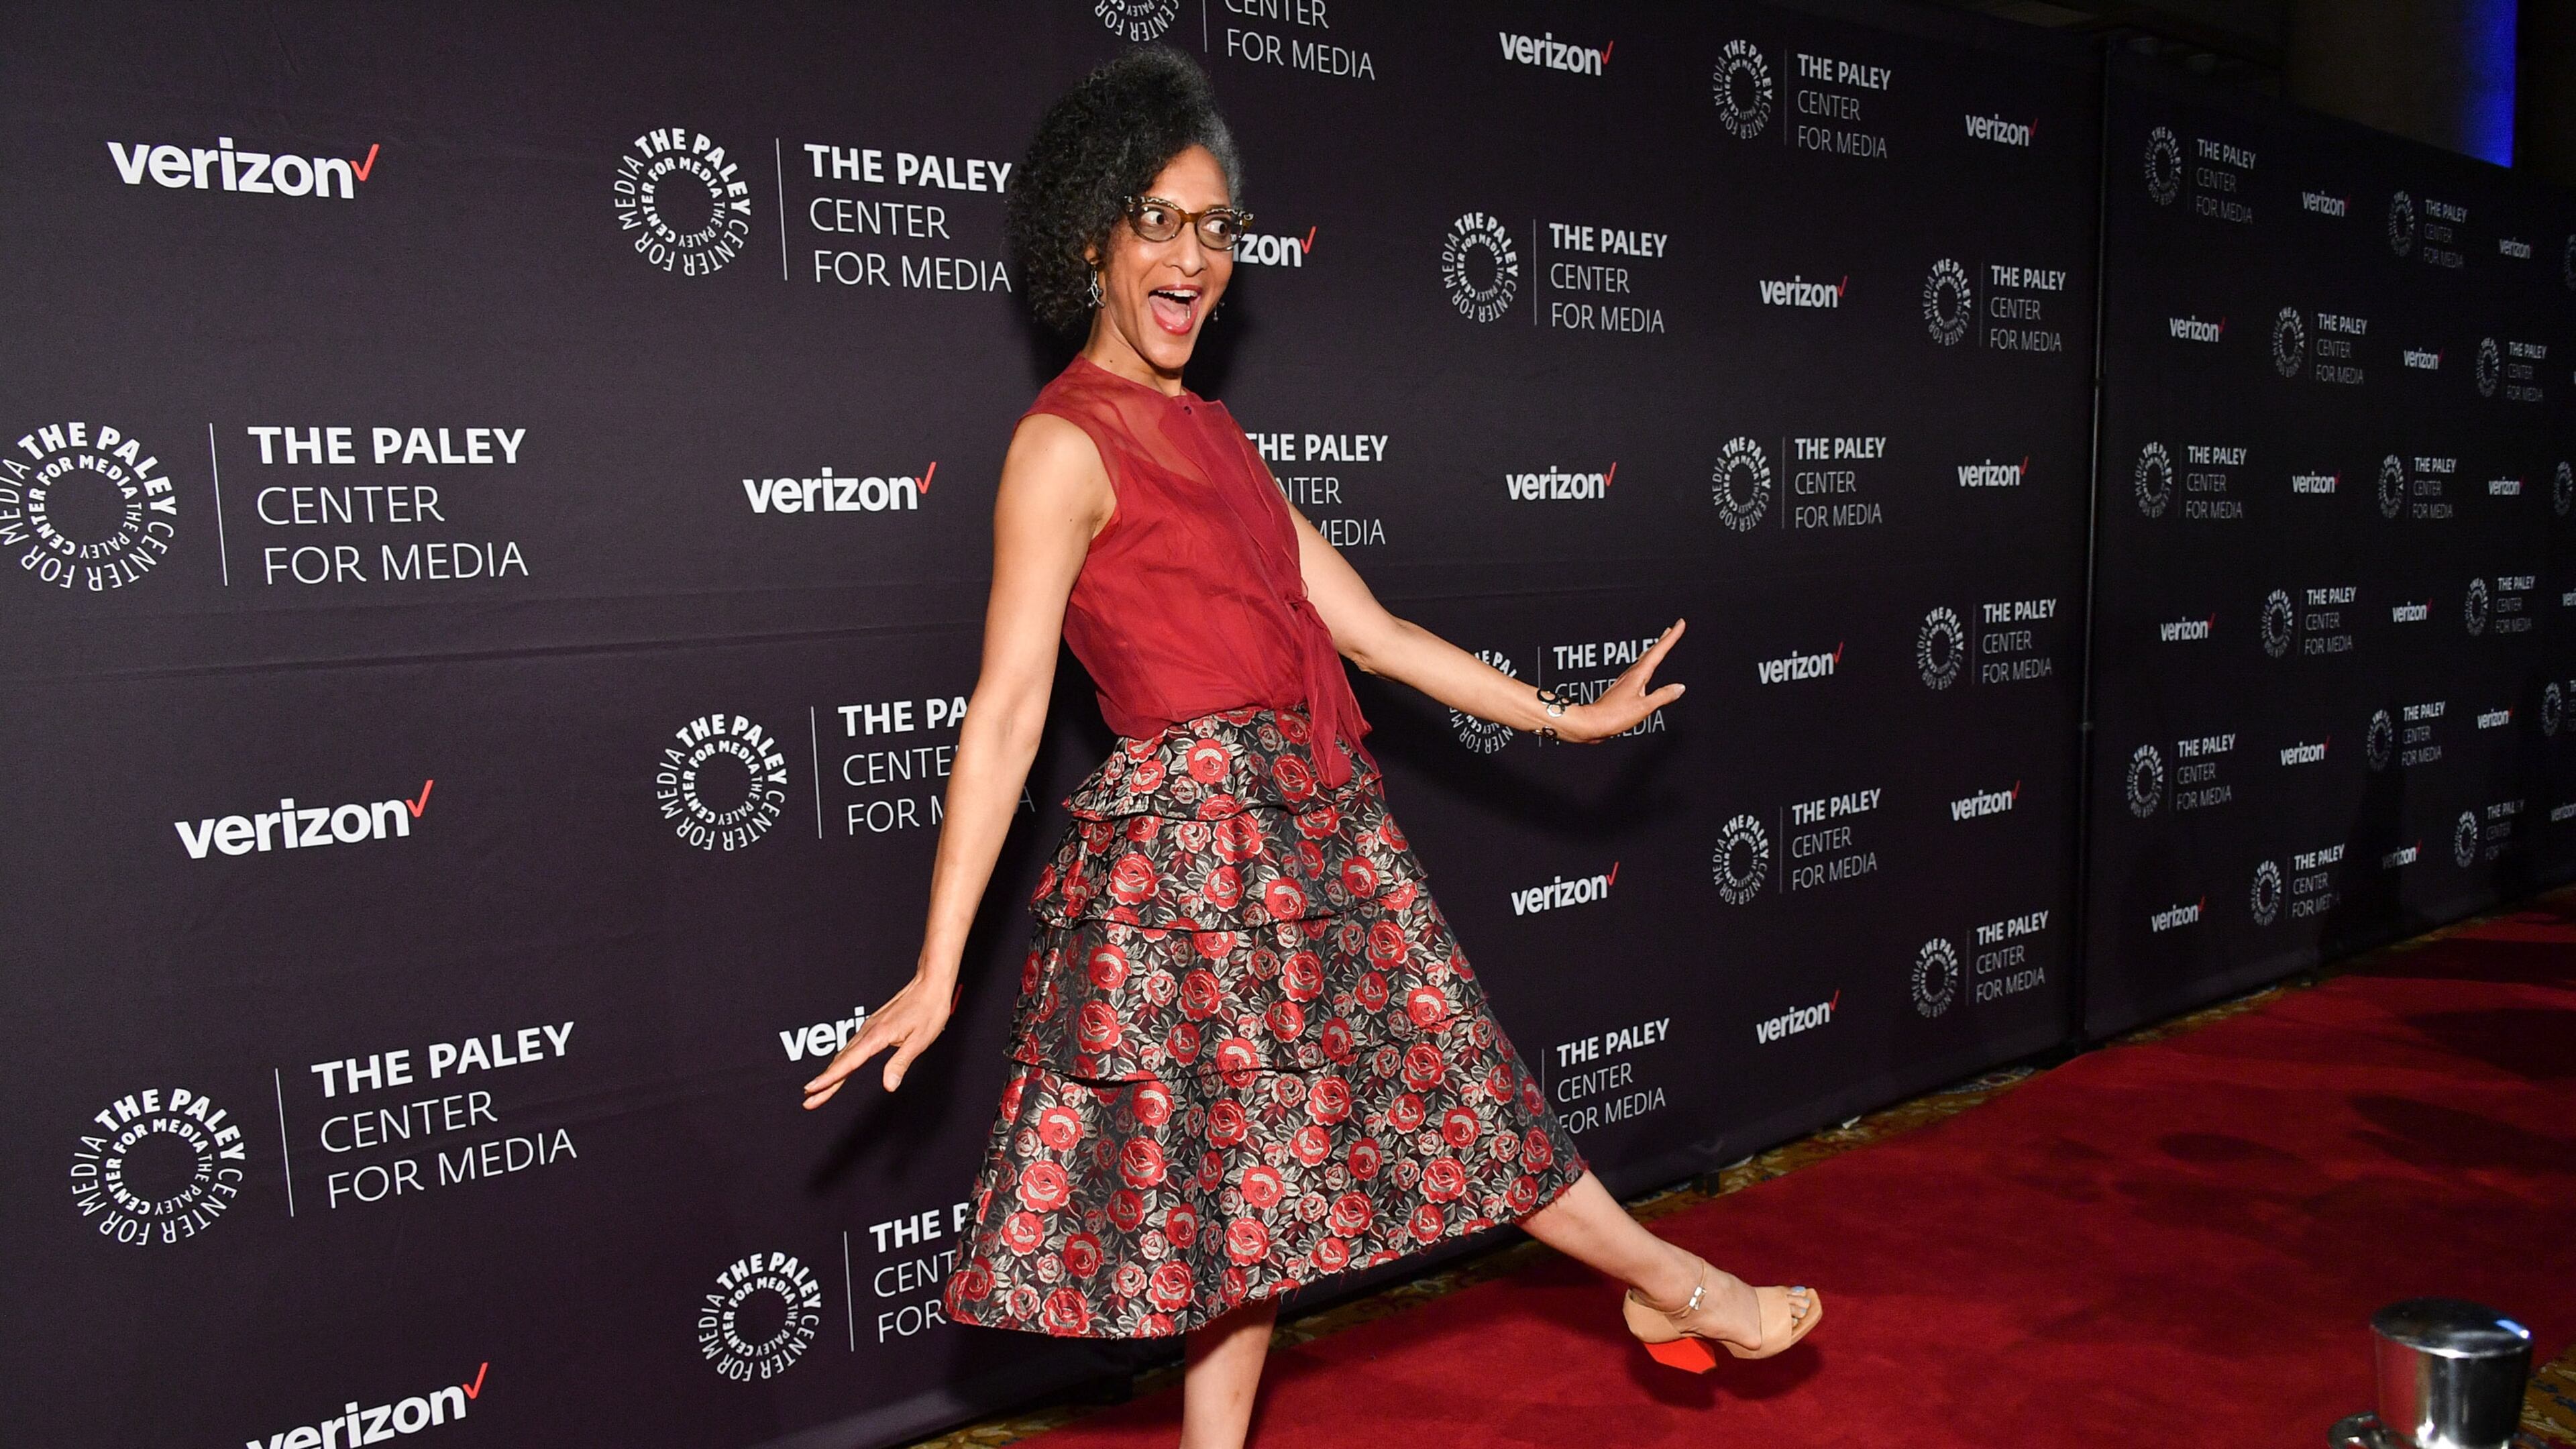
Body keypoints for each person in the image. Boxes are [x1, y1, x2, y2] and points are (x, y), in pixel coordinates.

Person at [800, 47, 1819, 1448]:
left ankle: (1661, 1291)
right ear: (1088, 236)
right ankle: (1677, 1285)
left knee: (1286, 1192)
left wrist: (1563, 713)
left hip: (1316, 831)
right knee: (1383, 1128)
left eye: (1216, 228)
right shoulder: (1062, 448)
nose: (1192, 256)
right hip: (1204, 865)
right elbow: (1012, 711)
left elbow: (1376, 633)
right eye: (1156, 219)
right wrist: (936, 965)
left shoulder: (1214, 434)